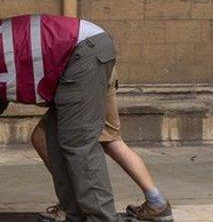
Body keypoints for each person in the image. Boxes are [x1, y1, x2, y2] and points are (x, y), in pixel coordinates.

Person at [0, 14, 120, 222]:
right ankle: (75, 215)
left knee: (78, 144)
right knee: (52, 142)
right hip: (76, 52)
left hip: (81, 50)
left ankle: (101, 218)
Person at [26, 66, 172, 222]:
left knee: (43, 137)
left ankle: (70, 205)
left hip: (82, 78)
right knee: (112, 140)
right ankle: (157, 201)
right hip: (100, 70)